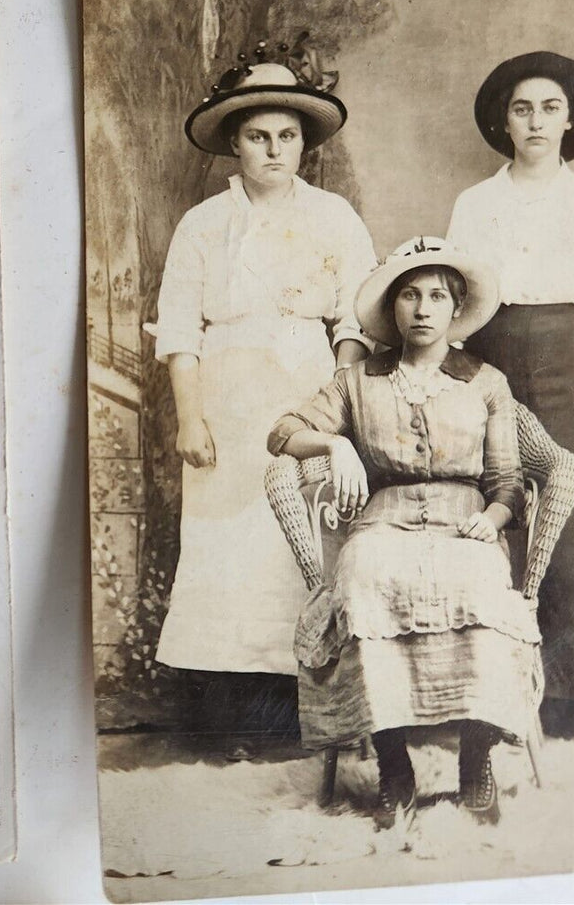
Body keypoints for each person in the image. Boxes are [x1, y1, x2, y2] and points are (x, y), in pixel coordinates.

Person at [147, 50, 377, 755]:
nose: (273, 150)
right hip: (224, 399)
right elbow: (180, 328)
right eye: (257, 136)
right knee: (222, 555)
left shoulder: (334, 217)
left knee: (295, 551)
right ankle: (221, 726)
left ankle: (295, 719)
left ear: (304, 143)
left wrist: (335, 403)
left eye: (286, 136)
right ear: (234, 142)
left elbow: (356, 320)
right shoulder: (202, 223)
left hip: (303, 397)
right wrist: (190, 416)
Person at [268, 237, 541, 828]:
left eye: (437, 296)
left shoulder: (486, 382)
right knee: (364, 576)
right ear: (392, 308)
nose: (422, 308)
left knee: (481, 579)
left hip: (463, 522)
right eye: (410, 295)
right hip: (381, 523)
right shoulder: (357, 381)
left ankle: (477, 758)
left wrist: (492, 520)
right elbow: (283, 430)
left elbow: (508, 479)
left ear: (455, 308)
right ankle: (394, 767)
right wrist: (335, 442)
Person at [446, 51, 574, 740]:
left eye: (549, 107)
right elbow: (460, 298)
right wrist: (459, 379)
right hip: (490, 354)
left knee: (572, 522)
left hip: (565, 361)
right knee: (491, 513)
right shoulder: (475, 202)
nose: (535, 121)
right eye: (522, 108)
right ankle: (487, 692)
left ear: (570, 117)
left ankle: (567, 694)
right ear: (503, 119)